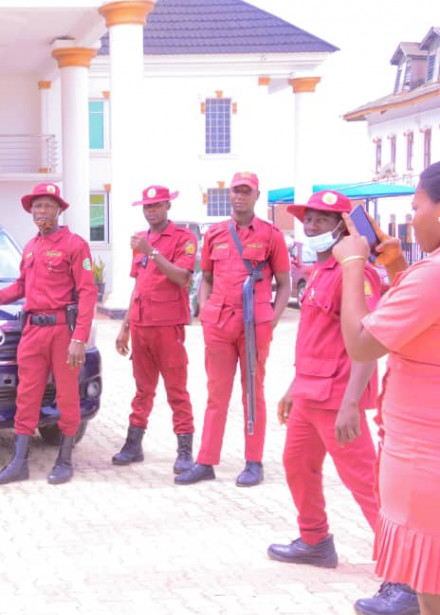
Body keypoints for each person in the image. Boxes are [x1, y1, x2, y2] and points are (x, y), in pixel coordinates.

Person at [334, 162, 440, 615]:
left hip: (425, 454)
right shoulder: (425, 272)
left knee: (432, 585)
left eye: (416, 207)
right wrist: (397, 266)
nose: (411, 217)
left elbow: (361, 344)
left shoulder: (432, 275)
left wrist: (355, 264)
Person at [266, 190, 384, 573]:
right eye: (308, 219)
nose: (312, 226)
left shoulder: (356, 273)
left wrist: (352, 402)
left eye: (322, 220)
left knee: (365, 481)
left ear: (341, 228)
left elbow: (368, 339)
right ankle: (315, 541)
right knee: (297, 465)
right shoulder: (320, 271)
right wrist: (293, 387)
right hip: (309, 393)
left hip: (336, 397)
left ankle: (406, 570)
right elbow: (317, 337)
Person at [0, 182, 97, 486]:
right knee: (27, 395)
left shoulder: (75, 245)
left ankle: (65, 460)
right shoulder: (31, 246)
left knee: (67, 395)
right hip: (32, 331)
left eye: (47, 206)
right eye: (37, 207)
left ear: (59, 210)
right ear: (31, 212)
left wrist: (79, 339)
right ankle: (19, 463)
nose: (42, 211)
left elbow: (87, 293)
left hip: (62, 332)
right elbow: (20, 287)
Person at [176, 171, 290, 488]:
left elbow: (284, 283)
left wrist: (273, 318)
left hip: (255, 324)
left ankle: (253, 462)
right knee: (216, 395)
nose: (239, 196)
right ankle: (206, 461)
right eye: (235, 191)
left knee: (253, 393)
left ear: (256, 195)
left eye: (246, 191)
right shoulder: (214, 234)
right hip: (219, 323)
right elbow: (207, 278)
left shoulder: (271, 235)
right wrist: (205, 311)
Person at [113, 185, 197, 475]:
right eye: (147, 207)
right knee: (142, 390)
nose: (151, 211)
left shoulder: (183, 238)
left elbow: (182, 278)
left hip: (167, 326)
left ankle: (185, 450)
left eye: (157, 206)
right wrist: (125, 327)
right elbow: (138, 286)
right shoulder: (141, 240)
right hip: (141, 326)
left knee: (177, 390)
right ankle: (133, 445)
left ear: (168, 207)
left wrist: (154, 252)